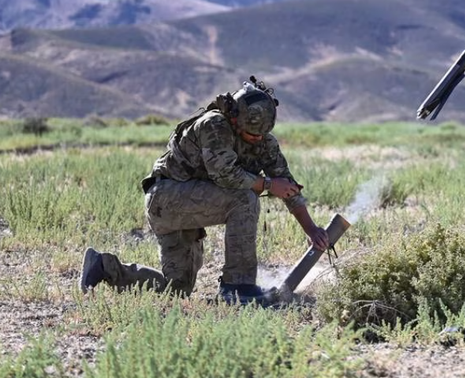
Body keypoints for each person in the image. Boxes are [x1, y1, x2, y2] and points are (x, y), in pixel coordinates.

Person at [79, 76, 329, 304]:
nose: (256, 139)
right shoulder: (214, 126)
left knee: (176, 289)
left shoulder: (264, 141)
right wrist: (267, 185)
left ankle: (105, 266)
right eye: (250, 134)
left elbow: (286, 183)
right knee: (244, 199)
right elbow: (225, 173)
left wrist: (311, 229)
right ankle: (237, 287)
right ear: (234, 118)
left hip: (189, 208)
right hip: (166, 200)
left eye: (261, 134)